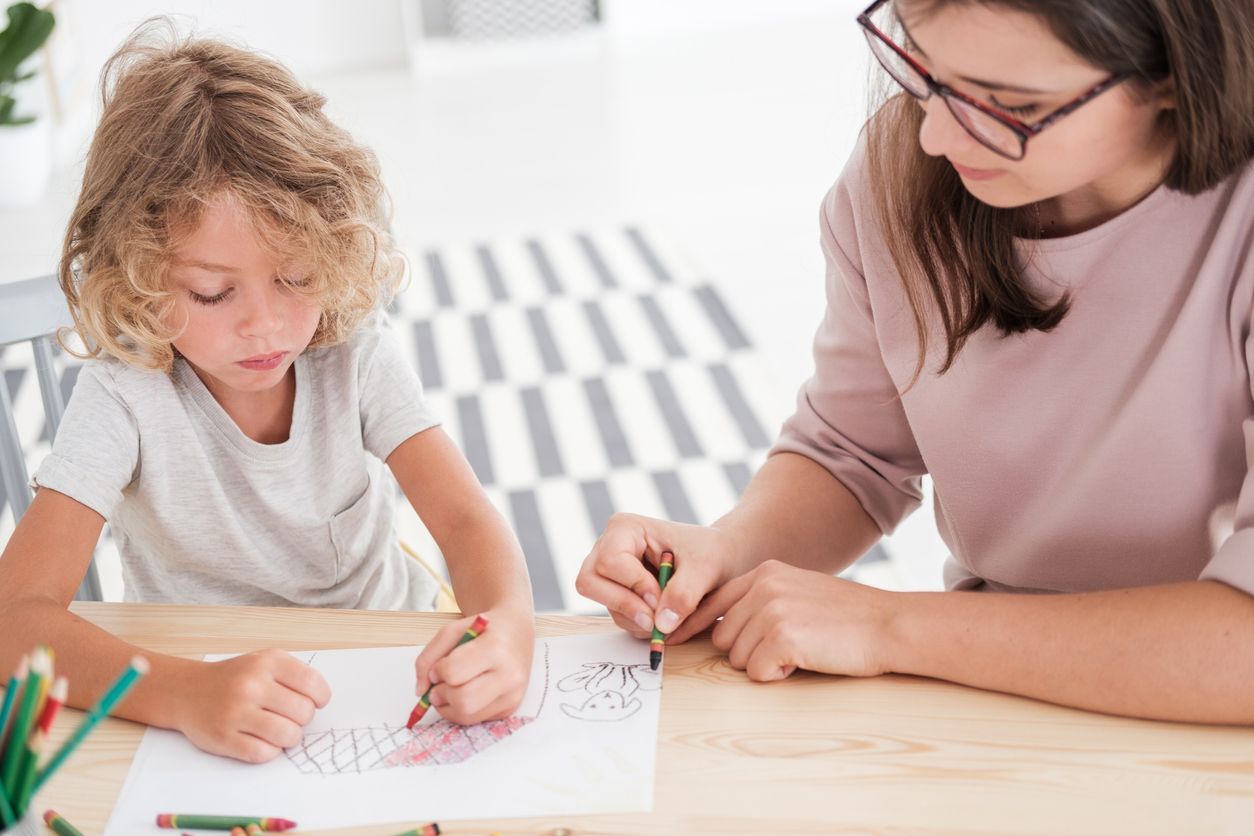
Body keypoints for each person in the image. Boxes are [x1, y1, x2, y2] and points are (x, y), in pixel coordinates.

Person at [577, 0, 1254, 723]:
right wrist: (728, 550)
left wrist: (889, 626)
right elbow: (851, 454)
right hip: (983, 695)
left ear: (1177, 72)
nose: (936, 135)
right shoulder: (905, 165)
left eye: (1012, 104)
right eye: (925, 68)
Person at [0, 25, 535, 763]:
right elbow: (13, 620)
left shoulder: (353, 355)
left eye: (296, 278)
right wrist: (182, 693)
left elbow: (467, 520)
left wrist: (507, 627)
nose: (265, 325)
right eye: (212, 293)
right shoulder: (124, 394)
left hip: (388, 672)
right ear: (137, 277)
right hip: (200, 689)